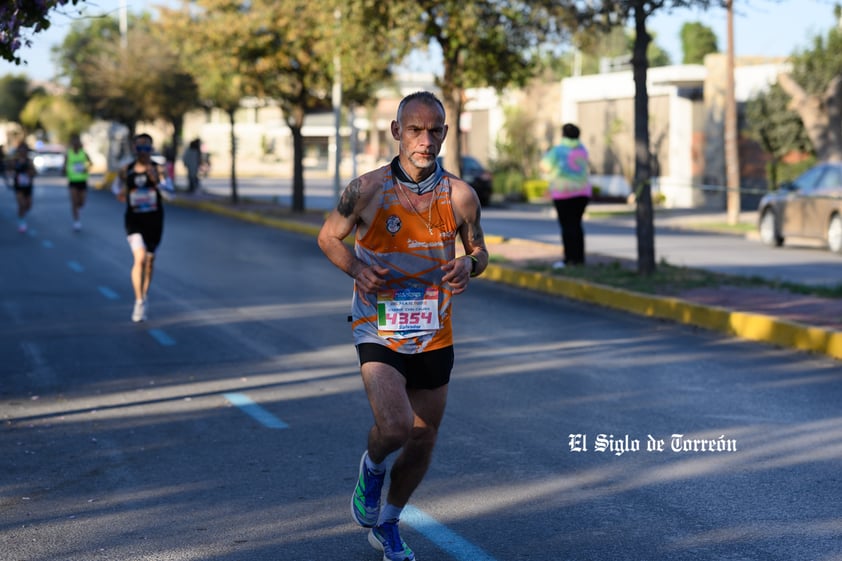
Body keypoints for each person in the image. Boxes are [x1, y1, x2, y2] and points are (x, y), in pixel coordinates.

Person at [317, 91, 488, 561]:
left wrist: (468, 267)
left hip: (434, 331)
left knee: (424, 435)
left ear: (446, 134)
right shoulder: (367, 189)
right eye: (415, 130)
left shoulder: (461, 196)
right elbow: (328, 236)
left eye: (435, 130)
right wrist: (356, 268)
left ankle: (389, 523)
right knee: (393, 427)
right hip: (378, 326)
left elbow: (480, 251)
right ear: (397, 132)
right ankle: (371, 469)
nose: (425, 140)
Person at [115, 133, 166, 323]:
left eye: (146, 148)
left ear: (151, 149)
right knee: (140, 258)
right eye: (139, 148)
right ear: (134, 149)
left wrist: (158, 182)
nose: (143, 152)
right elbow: (116, 187)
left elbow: (171, 194)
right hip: (134, 219)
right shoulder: (126, 169)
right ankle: (138, 301)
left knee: (150, 261)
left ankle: (144, 295)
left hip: (154, 220)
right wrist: (119, 193)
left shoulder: (158, 169)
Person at [539, 123, 592, 268]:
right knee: (577, 225)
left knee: (567, 226)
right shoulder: (583, 150)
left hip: (563, 192)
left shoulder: (557, 151)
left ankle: (569, 259)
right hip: (582, 192)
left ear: (563, 135)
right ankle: (579, 259)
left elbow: (545, 166)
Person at [64, 133, 93, 231]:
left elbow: (91, 163)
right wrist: (65, 170)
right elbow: (64, 165)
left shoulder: (84, 153)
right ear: (72, 143)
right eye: (74, 142)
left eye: (77, 142)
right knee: (74, 201)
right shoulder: (69, 153)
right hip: (73, 181)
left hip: (82, 180)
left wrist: (86, 168)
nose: (76, 144)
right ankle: (76, 221)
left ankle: (78, 209)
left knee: (82, 202)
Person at [11, 142, 36, 233]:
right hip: (19, 186)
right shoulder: (15, 161)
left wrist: (29, 171)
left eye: (24, 150)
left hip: (28, 186)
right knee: (21, 204)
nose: (23, 152)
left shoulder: (29, 161)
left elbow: (34, 173)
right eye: (21, 150)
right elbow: (10, 169)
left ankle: (22, 214)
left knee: (28, 205)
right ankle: (21, 222)